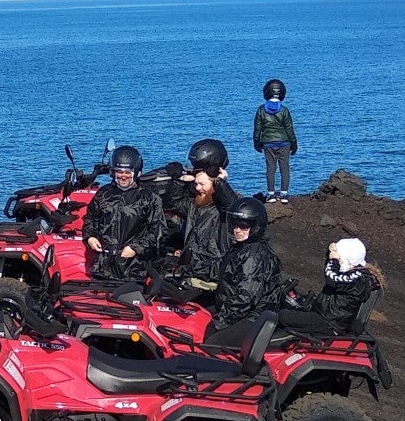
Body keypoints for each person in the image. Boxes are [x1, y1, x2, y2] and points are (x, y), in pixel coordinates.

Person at [204, 196, 283, 344]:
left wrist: (219, 322)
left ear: (256, 227)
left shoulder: (255, 256)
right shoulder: (240, 248)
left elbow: (245, 297)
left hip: (254, 316)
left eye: (243, 227)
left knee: (209, 344)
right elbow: (222, 272)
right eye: (234, 225)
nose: (237, 230)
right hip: (234, 310)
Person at [82, 145, 166, 282]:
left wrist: (136, 248)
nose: (123, 176)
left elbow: (159, 231)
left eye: (128, 172)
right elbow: (90, 218)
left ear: (136, 172)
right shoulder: (103, 193)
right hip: (102, 267)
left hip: (133, 268)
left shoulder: (149, 198)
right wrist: (90, 237)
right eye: (119, 172)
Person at [281, 238, 382, 334]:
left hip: (330, 323)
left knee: (281, 316)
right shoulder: (353, 272)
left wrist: (333, 260)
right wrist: (331, 252)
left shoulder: (358, 278)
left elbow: (333, 279)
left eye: (338, 257)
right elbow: (329, 270)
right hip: (323, 313)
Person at [176, 148, 238, 295]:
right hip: (191, 272)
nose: (198, 188)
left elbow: (231, 205)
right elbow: (171, 200)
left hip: (213, 276)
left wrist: (220, 182)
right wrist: (180, 179)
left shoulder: (226, 208)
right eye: (196, 184)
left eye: (202, 184)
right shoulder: (194, 205)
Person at [252, 78, 298, 204]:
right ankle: (284, 195)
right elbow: (289, 129)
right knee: (285, 168)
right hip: (284, 142)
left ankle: (271, 195)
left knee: (270, 169)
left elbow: (257, 129)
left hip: (268, 143)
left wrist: (256, 142)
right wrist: (294, 143)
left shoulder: (261, 110)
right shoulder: (284, 110)